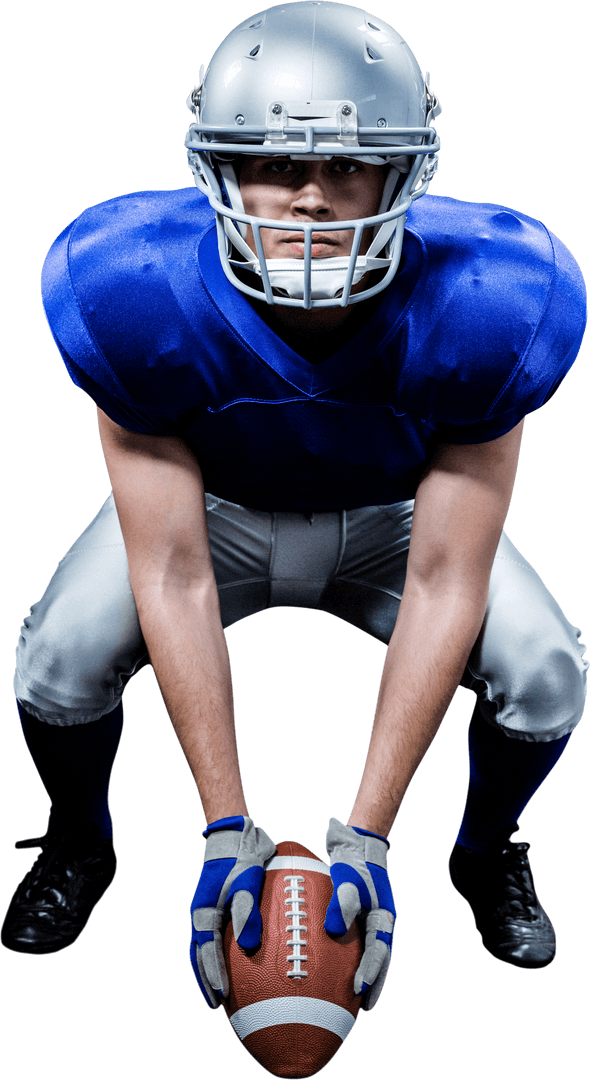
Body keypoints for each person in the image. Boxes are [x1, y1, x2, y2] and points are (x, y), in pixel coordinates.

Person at [2, 0, 586, 1016]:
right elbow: (172, 569)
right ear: (220, 172)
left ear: (403, 173)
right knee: (56, 660)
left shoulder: (500, 298)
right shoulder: (128, 287)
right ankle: (79, 839)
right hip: (210, 512)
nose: (311, 201)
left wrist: (364, 834)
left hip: (393, 517)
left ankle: (482, 851)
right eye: (274, 166)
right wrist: (226, 825)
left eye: (347, 167)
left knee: (546, 674)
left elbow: (448, 579)